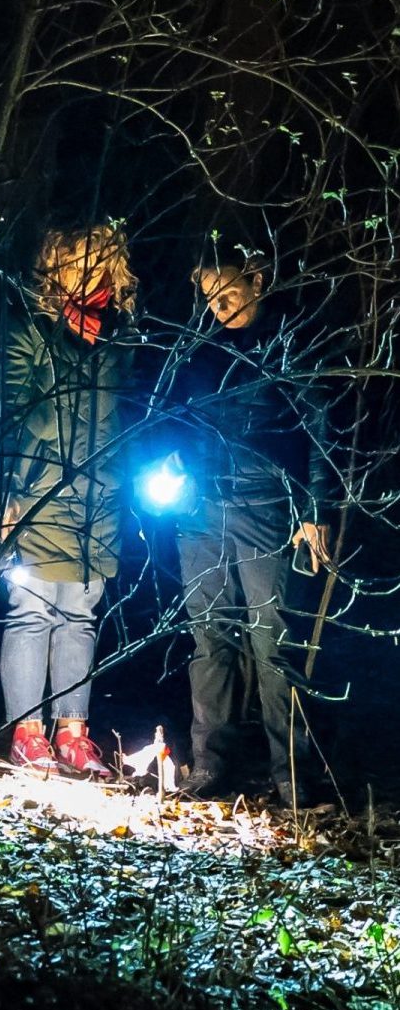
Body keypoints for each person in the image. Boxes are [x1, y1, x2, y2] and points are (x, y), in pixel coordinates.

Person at [161, 255, 334, 805]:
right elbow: (171, 415)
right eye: (208, 292)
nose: (218, 302)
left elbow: (318, 425)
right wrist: (170, 462)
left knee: (271, 639)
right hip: (201, 507)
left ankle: (291, 775)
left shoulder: (289, 340)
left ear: (256, 280)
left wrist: (314, 509)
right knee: (209, 635)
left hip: (264, 503)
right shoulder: (199, 346)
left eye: (226, 288)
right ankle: (211, 765)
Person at [0, 222, 138, 776]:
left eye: (99, 258)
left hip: (99, 493)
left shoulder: (119, 333)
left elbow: (127, 411)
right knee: (32, 609)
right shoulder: (31, 326)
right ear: (53, 264)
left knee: (80, 613)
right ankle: (27, 734)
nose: (89, 268)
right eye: (77, 258)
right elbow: (9, 414)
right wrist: (6, 496)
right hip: (38, 487)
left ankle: (73, 733)